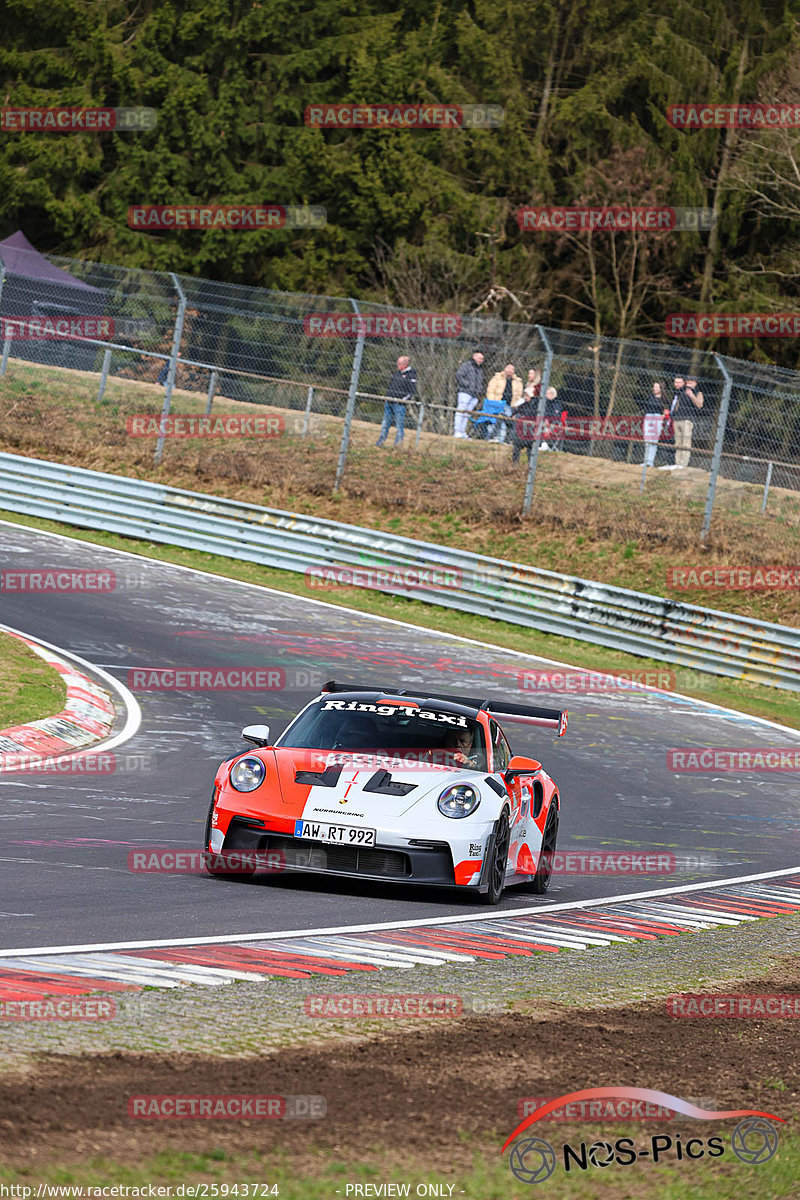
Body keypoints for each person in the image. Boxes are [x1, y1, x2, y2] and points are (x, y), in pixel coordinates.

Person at [661, 375, 704, 469]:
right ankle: (678, 463)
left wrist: (692, 396)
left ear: (695, 384)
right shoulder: (680, 392)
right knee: (678, 442)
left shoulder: (698, 393)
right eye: (688, 382)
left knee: (685, 442)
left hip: (688, 420)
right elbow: (675, 404)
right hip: (677, 419)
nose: (689, 385)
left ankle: (684, 463)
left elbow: (699, 405)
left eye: (691, 383)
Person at [377, 355, 417, 447]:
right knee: (385, 423)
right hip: (389, 401)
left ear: (405, 364)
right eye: (397, 363)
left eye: (400, 363)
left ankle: (398, 444)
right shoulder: (397, 373)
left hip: (399, 404)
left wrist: (402, 400)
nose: (397, 365)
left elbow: (411, 391)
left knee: (399, 424)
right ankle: (380, 441)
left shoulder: (411, 375)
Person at [479, 363, 523, 441]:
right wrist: (493, 402)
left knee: (504, 422)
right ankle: (490, 438)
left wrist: (515, 405)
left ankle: (500, 439)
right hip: (497, 403)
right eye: (508, 368)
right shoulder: (496, 378)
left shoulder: (518, 381)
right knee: (493, 420)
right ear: (505, 368)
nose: (509, 370)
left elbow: (519, 395)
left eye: (512, 369)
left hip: (509, 405)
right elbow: (490, 390)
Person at [454, 350, 485, 438]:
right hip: (465, 392)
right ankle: (457, 430)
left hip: (475, 394)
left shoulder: (480, 369)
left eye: (482, 359)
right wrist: (467, 385)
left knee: (467, 414)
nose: (480, 360)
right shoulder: (467, 365)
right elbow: (459, 375)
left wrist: (479, 390)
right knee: (461, 411)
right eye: (479, 358)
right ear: (474, 357)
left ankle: (463, 431)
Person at [638, 380, 666, 468]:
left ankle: (651, 461)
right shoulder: (650, 397)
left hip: (657, 418)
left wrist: (663, 415)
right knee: (647, 439)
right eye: (654, 386)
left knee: (654, 440)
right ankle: (646, 461)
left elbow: (666, 410)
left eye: (657, 387)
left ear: (661, 388)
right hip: (648, 416)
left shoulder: (664, 399)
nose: (655, 388)